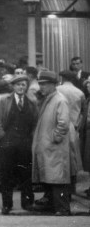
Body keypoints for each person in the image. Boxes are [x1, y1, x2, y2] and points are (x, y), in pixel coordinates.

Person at [30, 70, 73, 216]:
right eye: (40, 84)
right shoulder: (50, 98)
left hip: (54, 147)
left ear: (53, 85)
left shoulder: (59, 100)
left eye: (45, 84)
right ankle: (54, 206)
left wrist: (56, 138)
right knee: (51, 177)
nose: (41, 87)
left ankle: (62, 208)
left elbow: (63, 123)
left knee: (57, 179)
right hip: (49, 146)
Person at [0, 74, 37, 214]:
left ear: (26, 87)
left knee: (26, 174)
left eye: (23, 85)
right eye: (18, 84)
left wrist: (31, 139)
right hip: (8, 144)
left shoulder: (31, 102)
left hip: (25, 144)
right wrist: (3, 138)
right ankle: (7, 204)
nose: (21, 87)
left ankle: (27, 203)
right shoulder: (4, 101)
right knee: (6, 176)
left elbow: (35, 123)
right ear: (13, 86)